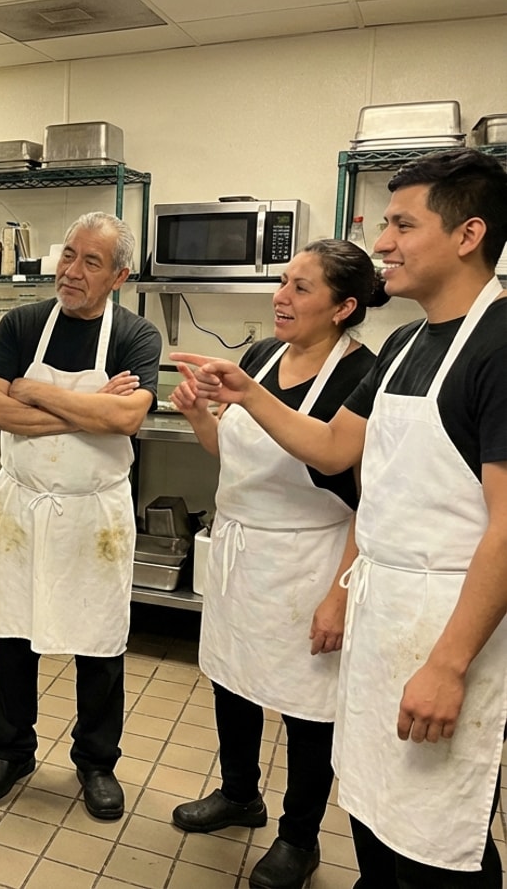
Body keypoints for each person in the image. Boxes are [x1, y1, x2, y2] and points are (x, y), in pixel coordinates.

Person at [174, 148, 507, 888]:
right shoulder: (408, 343)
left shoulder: (498, 345)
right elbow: (335, 450)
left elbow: (506, 528)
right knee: (373, 795)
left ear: (469, 234)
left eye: (402, 225)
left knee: (437, 828)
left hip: (442, 622)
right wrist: (241, 393)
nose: (382, 242)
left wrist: (448, 663)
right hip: (382, 614)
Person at [168, 240, 384, 889]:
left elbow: (360, 489)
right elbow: (236, 454)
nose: (281, 297)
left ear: (344, 307)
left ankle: (298, 837)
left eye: (301, 287)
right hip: (242, 551)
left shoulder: (361, 374)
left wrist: (339, 593)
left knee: (306, 706)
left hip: (310, 558)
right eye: (283, 281)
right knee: (231, 678)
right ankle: (239, 794)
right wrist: (199, 417)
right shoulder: (261, 355)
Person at [0, 211, 162, 820]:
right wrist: (85, 410)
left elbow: (126, 419)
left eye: (91, 262)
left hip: (92, 516)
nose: (72, 271)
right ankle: (11, 750)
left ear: (119, 277)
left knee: (98, 640)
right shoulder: (22, 323)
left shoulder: (136, 336)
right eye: (69, 255)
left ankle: (97, 762)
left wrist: (33, 391)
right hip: (23, 508)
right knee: (12, 632)